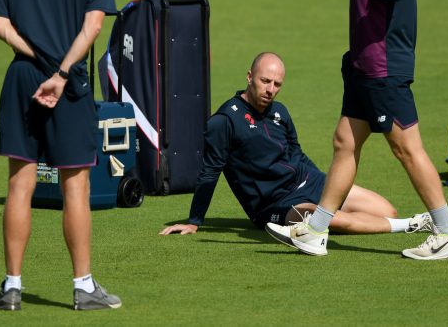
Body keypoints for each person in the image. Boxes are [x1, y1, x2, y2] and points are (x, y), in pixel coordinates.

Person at [265, 0, 448, 260]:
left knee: (407, 149)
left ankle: (447, 233)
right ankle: (316, 231)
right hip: (364, 69)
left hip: (383, 70)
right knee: (345, 142)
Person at [0, 0, 121, 311]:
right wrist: (60, 72)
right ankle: (83, 288)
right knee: (76, 187)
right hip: (69, 83)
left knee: (19, 186)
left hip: (22, 78)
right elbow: (93, 28)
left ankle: (11, 287)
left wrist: (37, 58)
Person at [160, 52, 432, 238]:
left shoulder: (280, 112)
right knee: (319, 218)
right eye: (265, 81)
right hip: (275, 205)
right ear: (249, 76)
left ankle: (398, 220)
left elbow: (297, 153)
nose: (271, 89)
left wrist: (322, 182)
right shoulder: (224, 121)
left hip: (308, 182)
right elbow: (210, 172)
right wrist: (195, 221)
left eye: (277, 84)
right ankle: (412, 225)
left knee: (386, 210)